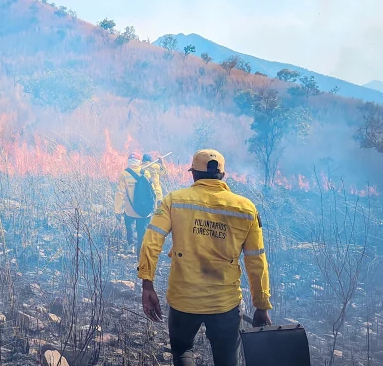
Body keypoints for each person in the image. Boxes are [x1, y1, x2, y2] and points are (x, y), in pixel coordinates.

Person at [137, 149, 272, 366]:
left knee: (182, 352)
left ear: (193, 175)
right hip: (225, 304)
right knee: (227, 361)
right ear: (223, 176)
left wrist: (147, 283)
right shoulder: (246, 208)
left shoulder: (175, 200)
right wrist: (262, 305)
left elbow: (151, 241)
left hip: (183, 300)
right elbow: (256, 260)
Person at [114, 152, 158, 254]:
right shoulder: (146, 173)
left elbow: (120, 193)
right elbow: (153, 192)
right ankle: (141, 252)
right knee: (142, 231)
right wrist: (154, 207)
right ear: (139, 162)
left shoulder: (124, 174)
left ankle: (131, 245)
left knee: (129, 226)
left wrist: (118, 211)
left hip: (130, 210)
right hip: (145, 210)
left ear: (129, 162)